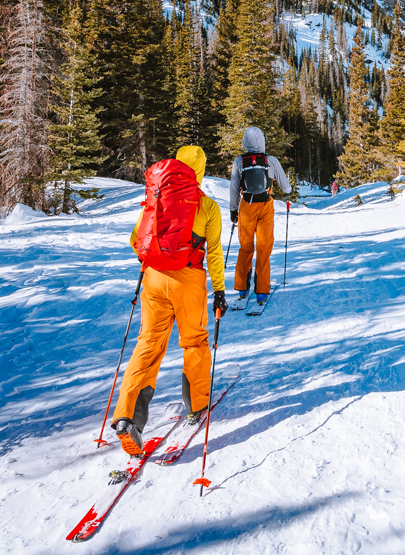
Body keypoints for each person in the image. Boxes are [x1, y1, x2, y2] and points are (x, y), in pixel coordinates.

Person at [111, 145, 227, 455]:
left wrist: (152, 263)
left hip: (153, 278)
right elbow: (214, 253)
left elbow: (136, 238)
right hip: (188, 280)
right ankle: (197, 406)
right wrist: (219, 290)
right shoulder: (207, 207)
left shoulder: (156, 199)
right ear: (199, 172)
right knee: (194, 342)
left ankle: (127, 418)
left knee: (148, 343)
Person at [230, 126, 292, 306]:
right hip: (265, 206)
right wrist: (289, 190)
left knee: (245, 247)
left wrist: (233, 210)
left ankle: (242, 287)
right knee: (264, 248)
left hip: (246, 206)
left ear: (245, 142)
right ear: (263, 141)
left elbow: (234, 188)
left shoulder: (239, 162)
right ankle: (262, 292)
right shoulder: (271, 160)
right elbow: (285, 186)